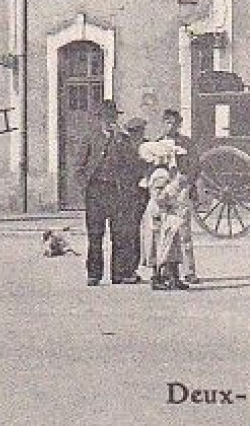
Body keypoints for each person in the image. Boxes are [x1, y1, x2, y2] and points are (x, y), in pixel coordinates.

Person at [73, 100, 129, 286]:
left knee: (119, 234)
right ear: (99, 119)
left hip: (116, 190)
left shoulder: (122, 139)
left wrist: (121, 140)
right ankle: (94, 274)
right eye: (106, 118)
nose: (109, 122)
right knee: (95, 235)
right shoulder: (90, 137)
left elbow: (129, 164)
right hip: (96, 191)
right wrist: (86, 189)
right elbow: (79, 167)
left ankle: (118, 274)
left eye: (112, 118)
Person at [139, 139, 191, 291]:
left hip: (166, 213)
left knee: (171, 245)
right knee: (160, 245)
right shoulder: (160, 174)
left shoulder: (163, 172)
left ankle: (173, 277)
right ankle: (158, 278)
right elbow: (159, 197)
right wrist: (174, 187)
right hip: (160, 213)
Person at [159, 109, 199, 284]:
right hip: (165, 190)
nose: (171, 126)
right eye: (167, 122)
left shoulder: (186, 144)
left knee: (184, 231)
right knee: (165, 232)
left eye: (174, 123)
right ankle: (166, 270)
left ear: (179, 124)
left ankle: (189, 271)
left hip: (182, 189)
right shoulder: (158, 144)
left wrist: (188, 182)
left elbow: (195, 166)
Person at [109, 116, 150, 284]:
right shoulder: (122, 148)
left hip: (139, 194)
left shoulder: (145, 145)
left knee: (133, 233)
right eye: (136, 132)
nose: (139, 135)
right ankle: (121, 272)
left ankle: (129, 270)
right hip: (124, 194)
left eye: (140, 131)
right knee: (124, 234)